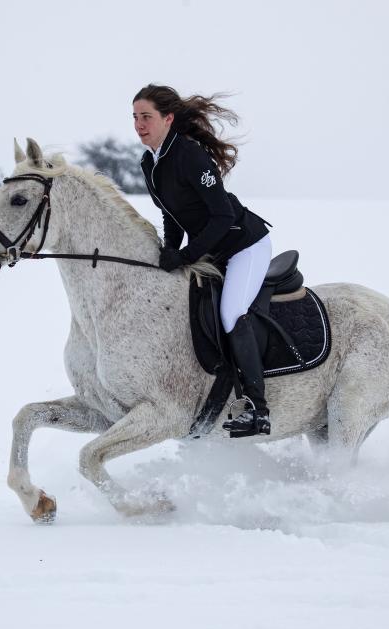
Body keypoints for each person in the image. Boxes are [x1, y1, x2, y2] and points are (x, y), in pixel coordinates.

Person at [133, 84, 273, 437]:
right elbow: (171, 214)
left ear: (168, 118)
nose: (139, 124)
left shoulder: (190, 156)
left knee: (231, 313)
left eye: (146, 117)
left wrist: (186, 255)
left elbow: (223, 217)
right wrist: (169, 248)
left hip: (245, 247)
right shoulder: (150, 163)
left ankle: (258, 407)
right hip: (211, 252)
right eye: (135, 117)